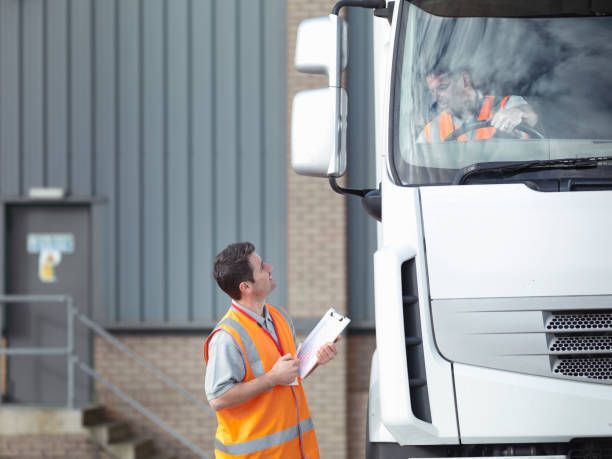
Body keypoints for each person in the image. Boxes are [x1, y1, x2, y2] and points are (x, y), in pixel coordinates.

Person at [204, 242, 338, 459]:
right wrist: (271, 378)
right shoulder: (226, 337)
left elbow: (290, 374)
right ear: (245, 287)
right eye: (261, 268)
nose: (270, 267)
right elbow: (218, 398)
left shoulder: (279, 316)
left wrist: (316, 357)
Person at [418, 69, 539, 142]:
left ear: (465, 80)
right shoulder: (432, 130)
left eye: (442, 87)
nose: (436, 98)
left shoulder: (505, 105)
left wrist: (516, 112)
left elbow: (529, 116)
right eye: (432, 91)